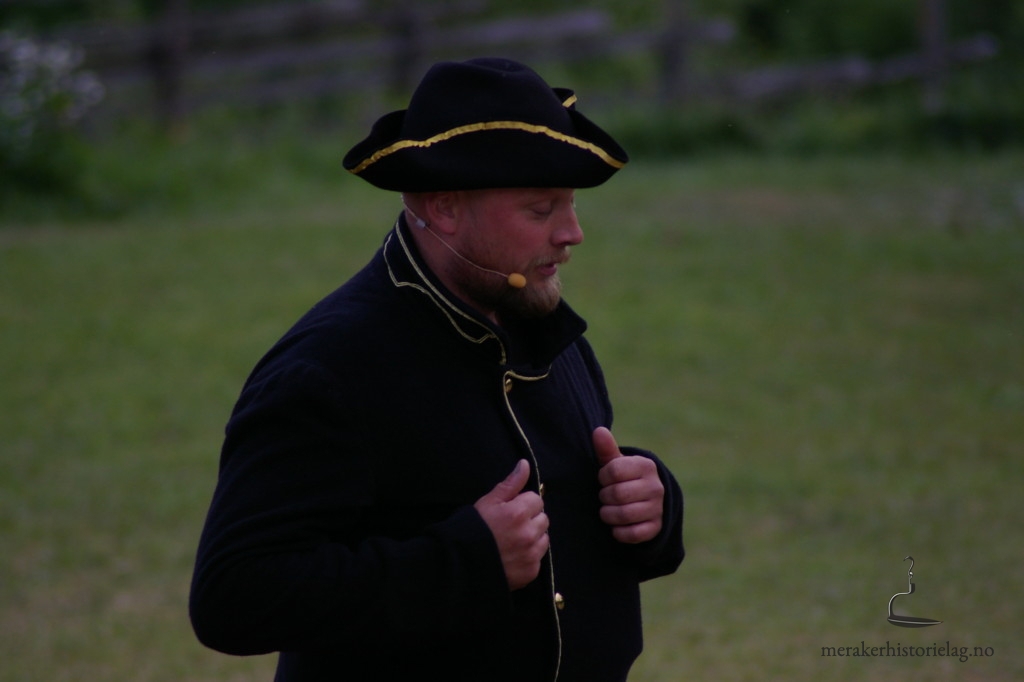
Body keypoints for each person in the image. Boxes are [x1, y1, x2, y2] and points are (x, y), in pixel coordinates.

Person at [189, 57, 684, 682]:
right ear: (445, 206)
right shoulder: (327, 370)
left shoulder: (543, 328)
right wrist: (466, 562)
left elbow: (564, 535)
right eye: (541, 210)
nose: (572, 233)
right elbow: (233, 597)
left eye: (570, 205)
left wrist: (650, 509)